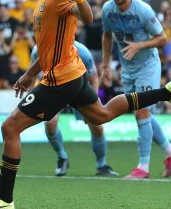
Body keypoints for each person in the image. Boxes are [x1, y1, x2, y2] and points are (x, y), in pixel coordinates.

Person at [0, 0, 171, 209]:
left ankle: (4, 200)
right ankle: (168, 91)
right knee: (103, 114)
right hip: (71, 74)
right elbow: (49, 48)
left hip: (60, 80)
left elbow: (87, 15)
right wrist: (29, 74)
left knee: (9, 127)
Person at [101, 0, 171, 179]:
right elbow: (106, 35)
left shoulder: (143, 11)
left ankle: (143, 167)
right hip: (128, 68)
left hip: (148, 65)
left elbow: (162, 38)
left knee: (141, 112)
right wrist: (105, 66)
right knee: (142, 112)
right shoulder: (107, 10)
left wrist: (140, 45)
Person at [31, 42, 118, 177]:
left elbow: (94, 80)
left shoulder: (82, 51)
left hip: (80, 89)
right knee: (50, 123)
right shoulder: (38, 50)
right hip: (54, 89)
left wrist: (93, 105)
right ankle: (62, 158)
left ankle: (102, 165)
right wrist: (30, 96)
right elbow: (34, 75)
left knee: (97, 126)